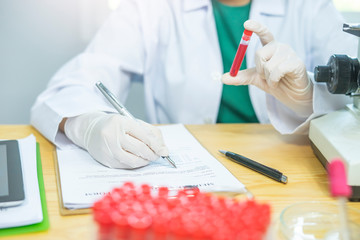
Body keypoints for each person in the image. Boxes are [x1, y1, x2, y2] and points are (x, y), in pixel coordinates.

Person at [31, 0, 358, 169]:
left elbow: (353, 89)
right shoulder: (152, 7)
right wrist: (88, 124)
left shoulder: (310, 6)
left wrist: (307, 98)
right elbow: (74, 83)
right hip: (186, 175)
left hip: (288, 170)